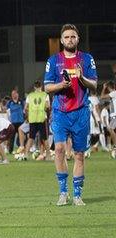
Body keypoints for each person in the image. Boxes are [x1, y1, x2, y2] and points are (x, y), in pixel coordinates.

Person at [44, 24, 98, 206]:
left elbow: (95, 85)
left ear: (78, 39)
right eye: (66, 37)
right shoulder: (53, 61)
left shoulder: (87, 59)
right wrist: (62, 86)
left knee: (79, 155)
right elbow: (47, 87)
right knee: (59, 149)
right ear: (61, 40)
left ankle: (77, 195)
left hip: (81, 112)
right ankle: (63, 192)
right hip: (60, 112)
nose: (69, 40)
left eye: (73, 37)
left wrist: (82, 79)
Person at [21, 81, 50, 161]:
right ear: (41, 86)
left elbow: (25, 108)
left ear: (34, 87)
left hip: (32, 119)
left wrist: (28, 116)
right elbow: (47, 106)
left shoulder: (30, 96)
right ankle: (48, 156)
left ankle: (26, 155)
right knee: (45, 138)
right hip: (42, 119)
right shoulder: (45, 95)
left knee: (31, 137)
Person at [100, 82, 116, 158]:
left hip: (114, 116)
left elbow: (102, 97)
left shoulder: (113, 93)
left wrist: (103, 88)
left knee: (111, 129)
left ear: (109, 87)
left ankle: (115, 146)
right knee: (111, 130)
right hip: (113, 116)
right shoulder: (113, 96)